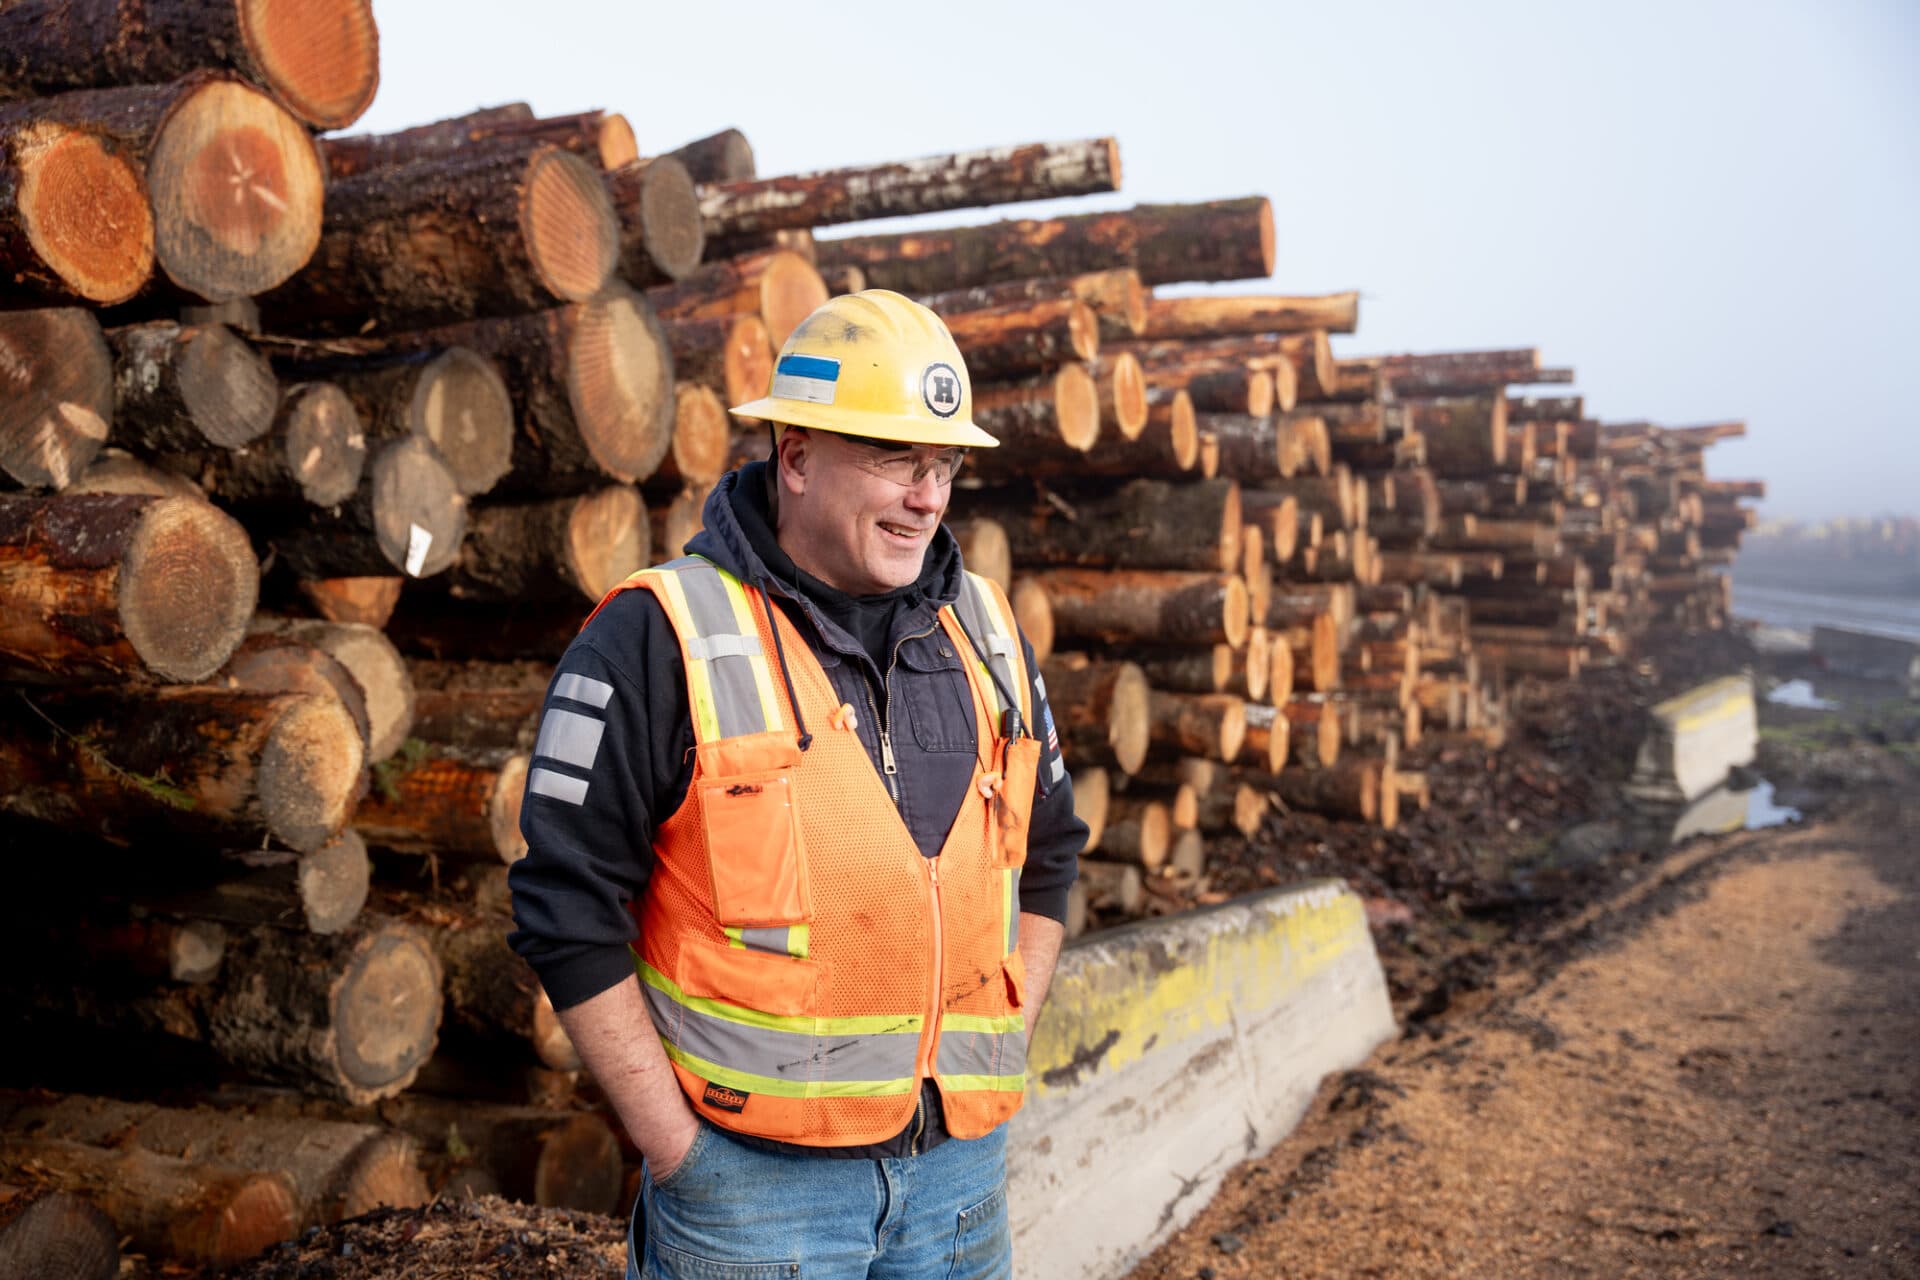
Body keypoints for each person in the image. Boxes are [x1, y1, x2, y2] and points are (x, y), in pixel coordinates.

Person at [508, 289, 1086, 1278]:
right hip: (752, 1199)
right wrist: (680, 1153)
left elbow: (1049, 858)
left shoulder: (987, 632)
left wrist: (994, 1060)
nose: (928, 494)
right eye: (896, 458)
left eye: (943, 463)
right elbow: (565, 906)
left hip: (959, 1182)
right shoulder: (660, 634)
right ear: (798, 454)